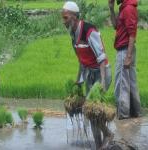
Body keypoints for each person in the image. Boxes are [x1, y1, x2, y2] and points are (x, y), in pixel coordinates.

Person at [62, 1, 112, 149]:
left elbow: (102, 58)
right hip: (89, 73)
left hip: (102, 73)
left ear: (74, 16)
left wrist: (102, 83)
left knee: (89, 109)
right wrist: (78, 82)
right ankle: (99, 146)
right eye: (62, 18)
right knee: (92, 115)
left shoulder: (89, 31)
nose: (63, 21)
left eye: (65, 18)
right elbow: (81, 61)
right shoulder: (73, 34)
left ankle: (108, 134)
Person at [108, 0, 141, 119]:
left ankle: (123, 116)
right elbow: (116, 26)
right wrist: (111, 9)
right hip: (126, 49)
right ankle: (135, 114)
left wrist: (128, 56)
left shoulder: (128, 9)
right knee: (130, 83)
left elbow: (132, 34)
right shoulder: (124, 7)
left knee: (121, 85)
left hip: (125, 50)